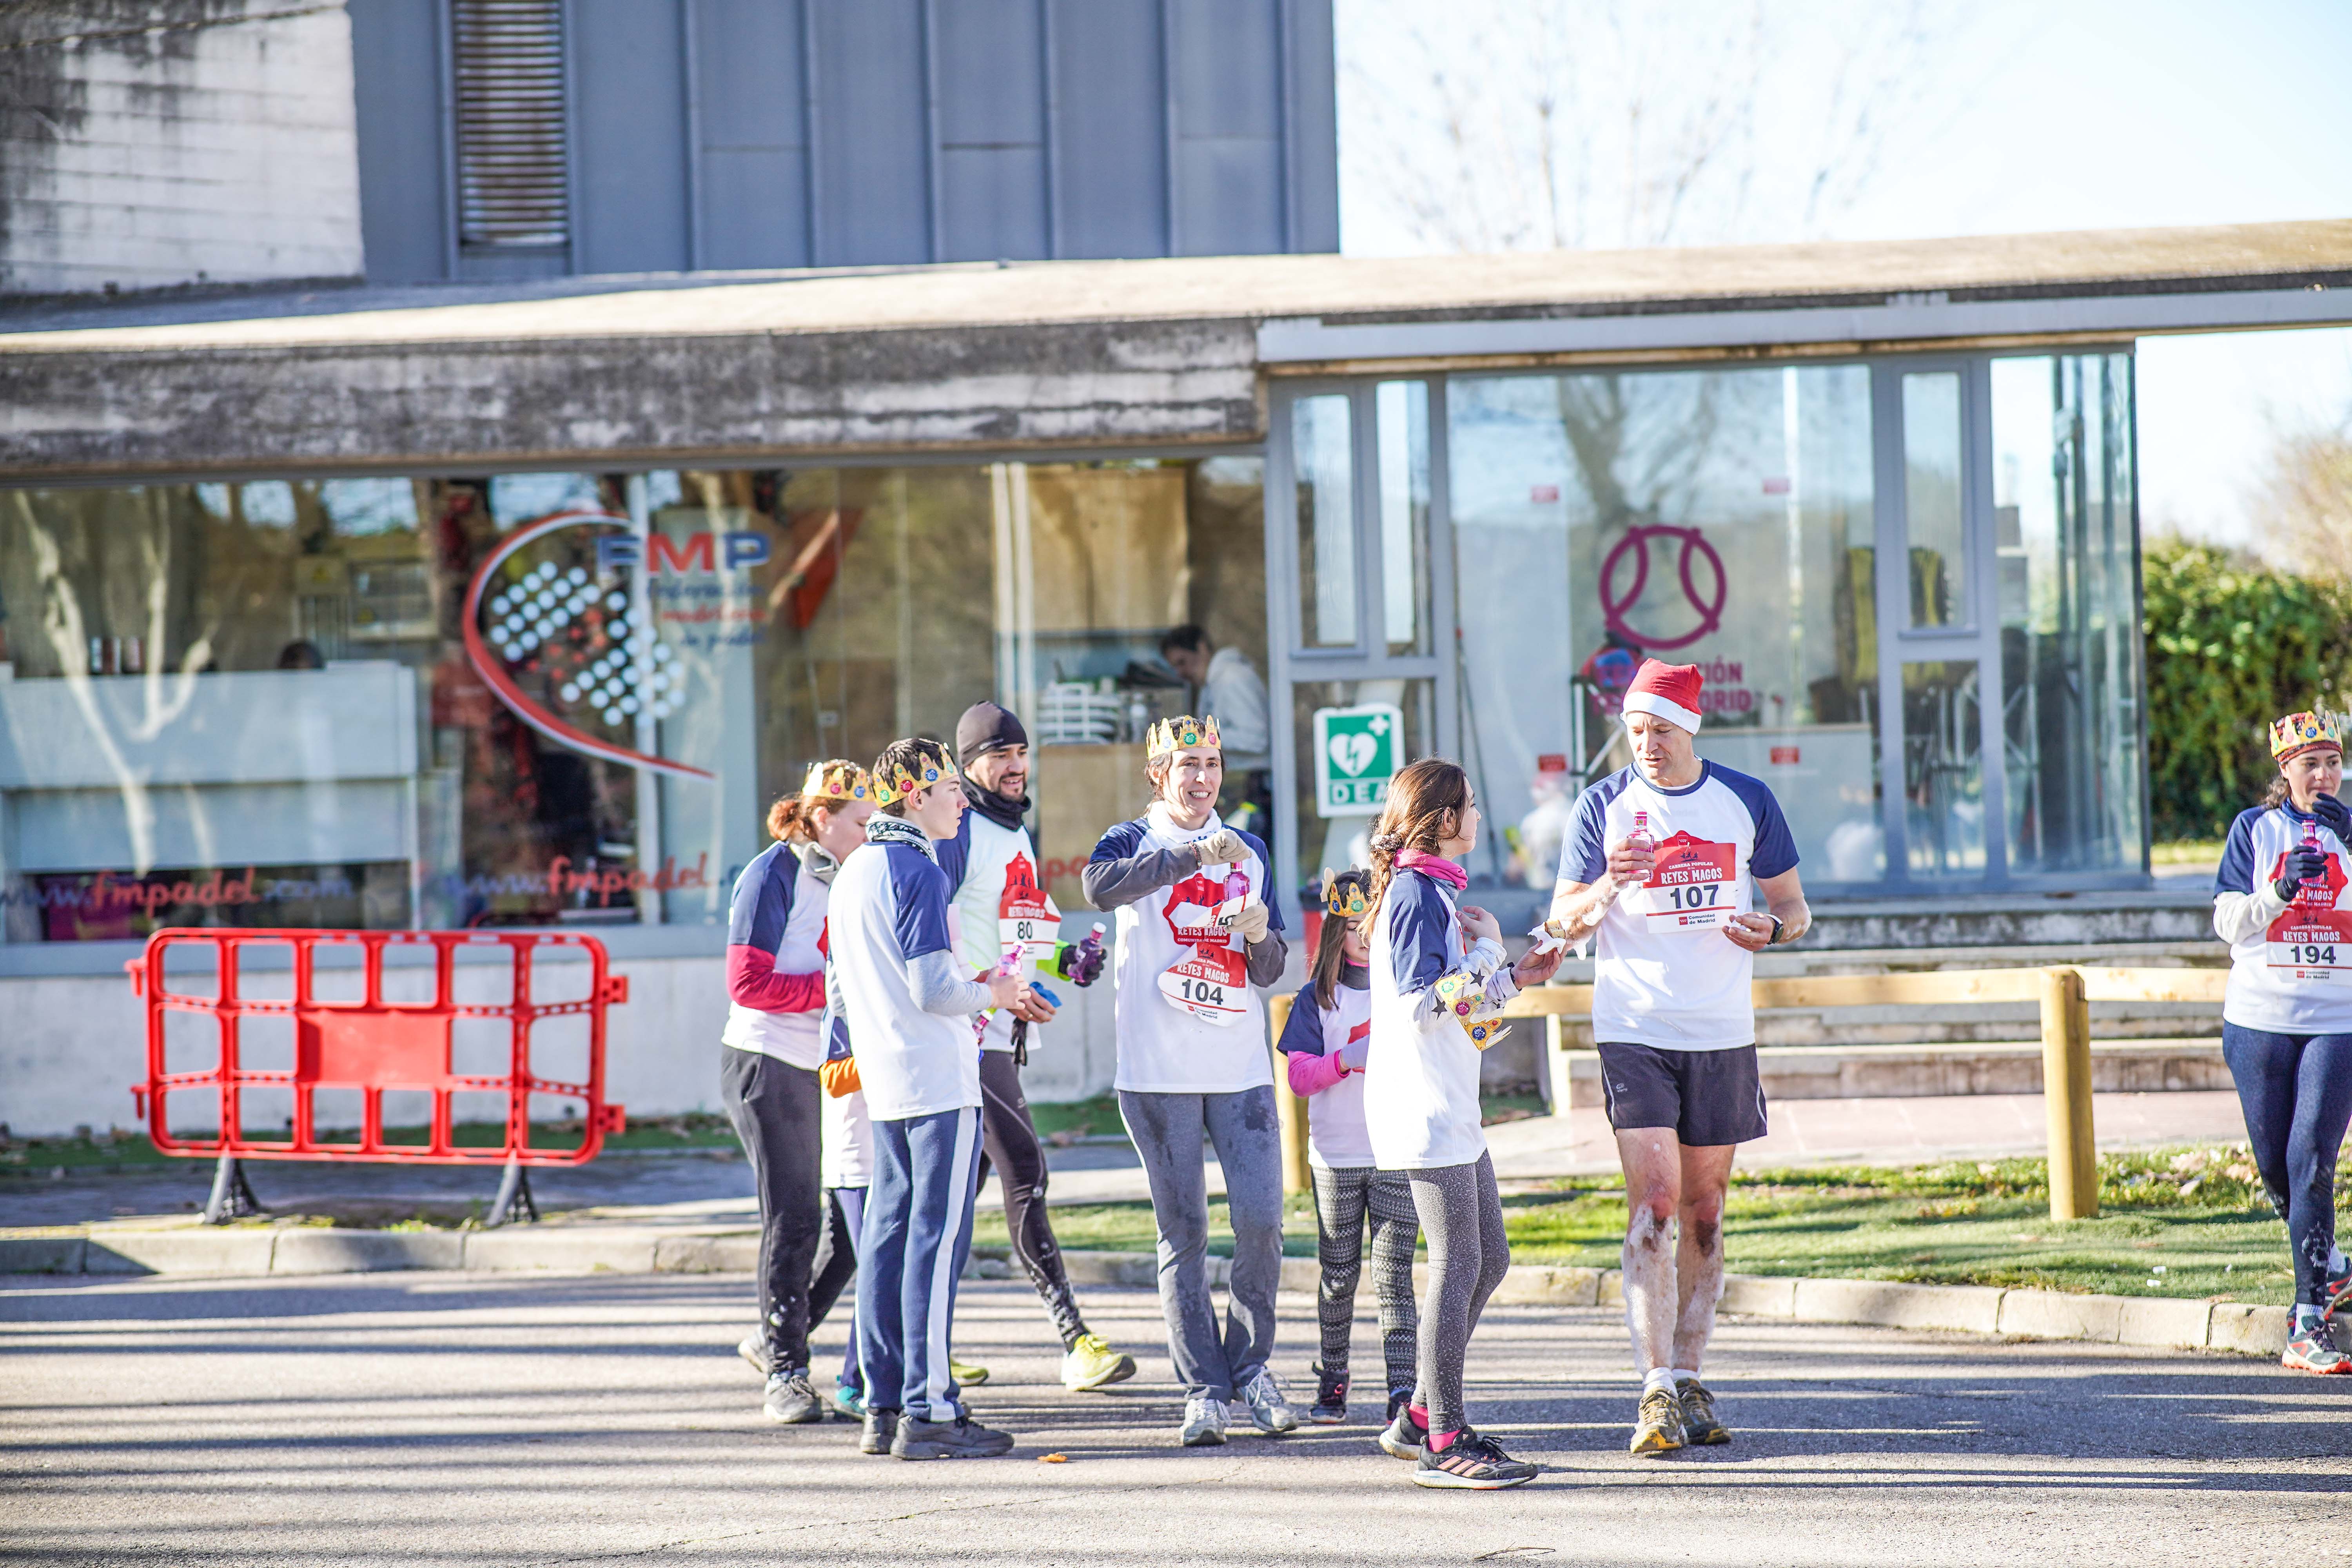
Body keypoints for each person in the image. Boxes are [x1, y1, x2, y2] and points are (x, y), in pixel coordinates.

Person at [1546, 659, 1807, 1457]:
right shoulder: (1603, 806)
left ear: (1691, 728)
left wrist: (1775, 928)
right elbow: (1561, 922)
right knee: (1655, 1204)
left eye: (1660, 728)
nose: (1647, 744)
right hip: (1635, 1028)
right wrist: (1604, 890)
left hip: (1721, 1028)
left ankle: (1692, 1375)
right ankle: (1655, 1383)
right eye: (1634, 730)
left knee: (1706, 1207)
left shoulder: (1747, 800)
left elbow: (1793, 907)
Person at [829, 737, 1054, 1460]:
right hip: (933, 1077)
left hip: (887, 1076)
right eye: (951, 789)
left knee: (888, 1243)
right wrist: (995, 990)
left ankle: (884, 1405)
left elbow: (850, 989)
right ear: (916, 796)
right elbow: (932, 989)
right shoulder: (916, 868)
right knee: (933, 1241)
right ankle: (929, 1408)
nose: (962, 799)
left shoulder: (855, 868)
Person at [1082, 713, 1297, 1446]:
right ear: (1158, 775)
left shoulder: (1251, 848)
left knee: (1263, 1223)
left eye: (1210, 764)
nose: (1201, 778)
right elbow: (1098, 888)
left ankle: (1251, 1369)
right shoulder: (1132, 841)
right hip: (1157, 1073)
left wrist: (1264, 933)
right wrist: (1189, 858)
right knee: (1186, 1234)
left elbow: (1270, 972)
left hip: (1240, 1071)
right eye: (1186, 766)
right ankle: (1204, 1389)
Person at [1362, 760, 1564, 1490]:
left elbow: (1463, 1009)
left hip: (1450, 1104)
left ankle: (1419, 1413)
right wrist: (1487, 953)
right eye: (1471, 805)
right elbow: (1423, 1006)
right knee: (1457, 1264)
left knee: (1492, 1258)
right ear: (1445, 820)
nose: (1478, 815)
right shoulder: (1417, 892)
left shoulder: (1434, 892)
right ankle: (1444, 1439)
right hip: (1423, 1109)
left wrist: (1516, 977)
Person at [938, 702, 1136, 1393]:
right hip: (966, 1036)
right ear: (969, 766)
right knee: (1025, 1173)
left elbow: (1017, 936)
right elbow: (933, 936)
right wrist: (990, 991)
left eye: (1022, 753)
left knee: (958, 1197)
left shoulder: (1013, 834)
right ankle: (1075, 1340)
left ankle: (913, 1342)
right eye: (1000, 756)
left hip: (1000, 1033)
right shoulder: (957, 832)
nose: (1017, 766)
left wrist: (1066, 962)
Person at [720, 759, 874, 1424]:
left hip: (828, 1061)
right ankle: (786, 1373)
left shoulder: (855, 874)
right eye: (862, 823)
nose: (873, 834)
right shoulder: (772, 872)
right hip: (766, 1058)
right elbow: (747, 983)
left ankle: (777, 1335)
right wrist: (833, 994)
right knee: (794, 1216)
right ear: (821, 819)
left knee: (849, 1222)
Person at [2212, 709, 2352, 1374]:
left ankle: (2307, 1323)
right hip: (2259, 1022)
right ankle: (2334, 1264)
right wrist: (2278, 891)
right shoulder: (2254, 829)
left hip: (2338, 1020)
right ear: (2285, 771)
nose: (2324, 776)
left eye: (2334, 763)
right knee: (2276, 1170)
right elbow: (2228, 923)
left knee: (2311, 1161)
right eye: (2310, 765)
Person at [1274, 868, 1420, 1431]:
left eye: (1373, 922)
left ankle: (1402, 1389)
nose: (1363, 932)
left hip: (1397, 1154)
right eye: (1353, 923)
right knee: (1338, 1276)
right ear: (1336, 928)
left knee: (1394, 1276)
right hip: (1335, 1158)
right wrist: (1345, 1061)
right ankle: (1332, 1379)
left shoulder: (1402, 990)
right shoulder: (1317, 998)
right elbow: (1300, 1077)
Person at [815, 1008, 874, 1417]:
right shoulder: (843, 1000)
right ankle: (856, 1383)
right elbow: (834, 1079)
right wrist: (894, 1052)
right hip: (857, 1164)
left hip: (890, 1159)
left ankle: (779, 1341)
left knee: (879, 1269)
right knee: (879, 1273)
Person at [1159, 625, 1272, 832]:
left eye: (1182, 662)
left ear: (1202, 649)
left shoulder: (1232, 678)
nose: (1180, 673)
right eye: (1175, 667)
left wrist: (1203, 737)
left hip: (1252, 786)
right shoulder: (1211, 684)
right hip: (1237, 784)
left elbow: (1257, 739)